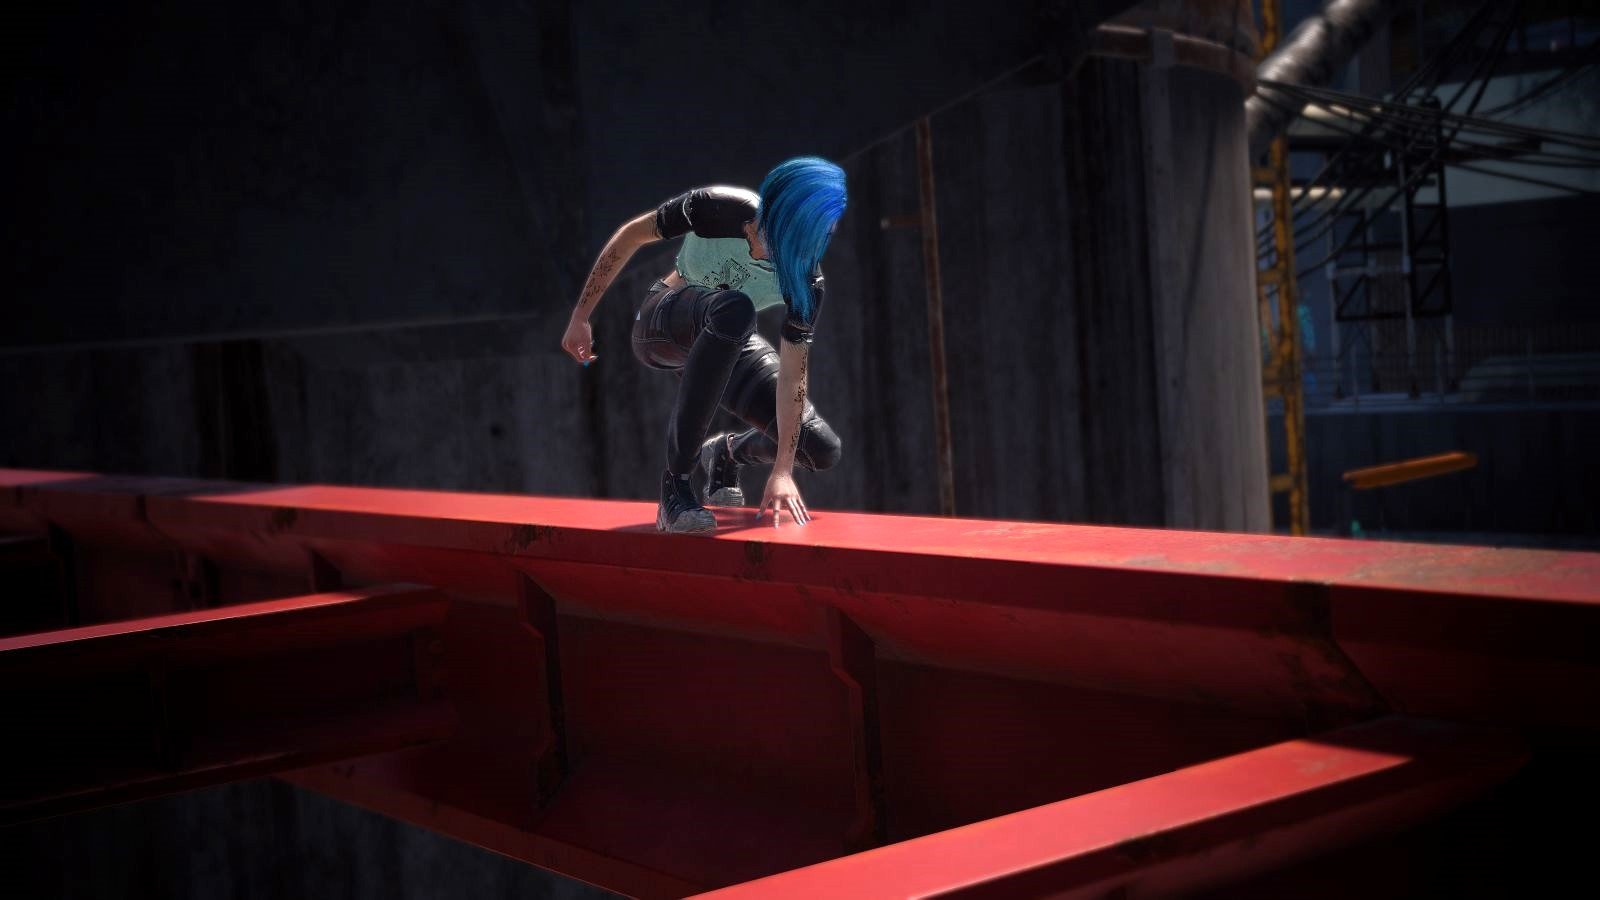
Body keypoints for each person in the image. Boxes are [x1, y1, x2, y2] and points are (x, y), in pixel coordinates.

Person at [561, 157, 847, 533]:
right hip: (662, 323)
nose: (768, 252)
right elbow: (631, 235)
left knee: (821, 448)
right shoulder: (715, 207)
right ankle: (676, 488)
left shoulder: (805, 283)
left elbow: (793, 378)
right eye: (774, 236)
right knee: (736, 308)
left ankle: (727, 453)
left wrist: (781, 470)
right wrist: (581, 315)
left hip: (726, 339)